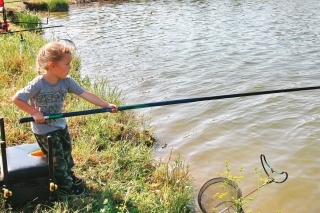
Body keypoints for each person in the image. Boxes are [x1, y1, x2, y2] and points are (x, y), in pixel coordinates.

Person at [11, 41, 117, 197]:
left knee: (66, 152)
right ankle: (65, 187)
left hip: (60, 125)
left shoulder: (66, 81)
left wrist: (106, 105)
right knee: (57, 159)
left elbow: (85, 94)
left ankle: (69, 175)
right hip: (44, 129)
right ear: (53, 65)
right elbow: (17, 99)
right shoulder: (38, 84)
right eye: (67, 64)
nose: (70, 67)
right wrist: (34, 112)